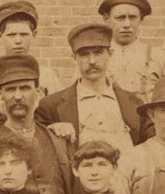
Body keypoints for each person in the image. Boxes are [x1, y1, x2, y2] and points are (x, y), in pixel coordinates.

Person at [0, 54, 75, 194]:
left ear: (38, 92)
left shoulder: (58, 140)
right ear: (0, 95)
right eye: (10, 89)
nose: (18, 96)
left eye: (25, 88)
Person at [39, 23, 147, 154]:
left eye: (98, 53)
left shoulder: (134, 103)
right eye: (84, 54)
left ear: (110, 54)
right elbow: (40, 147)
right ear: (74, 58)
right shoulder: (52, 106)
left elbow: (147, 149)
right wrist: (53, 129)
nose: (92, 61)